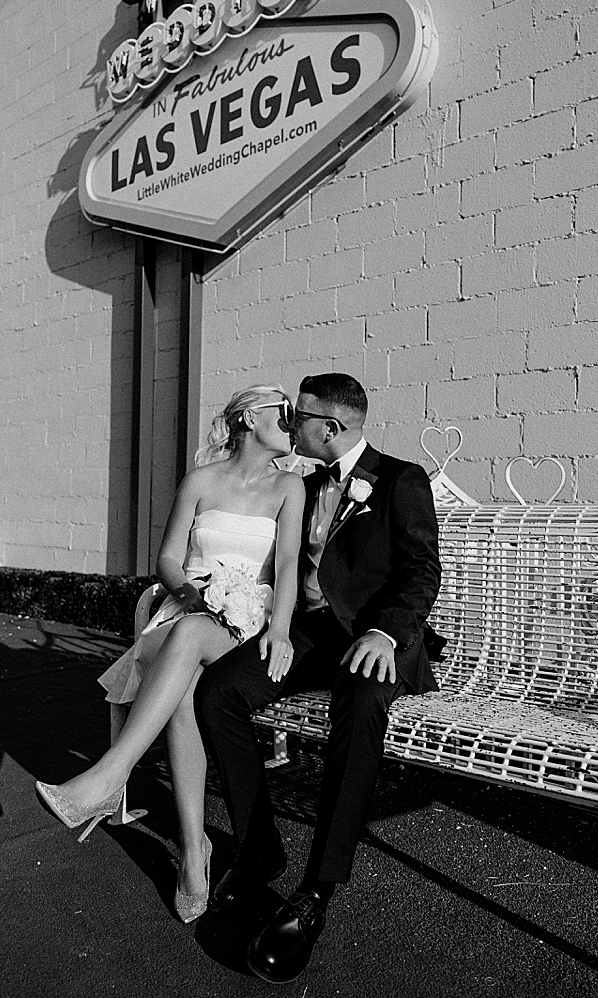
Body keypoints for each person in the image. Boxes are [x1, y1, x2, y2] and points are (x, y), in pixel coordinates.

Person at [195, 372, 442, 985]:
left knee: (358, 710)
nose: (289, 419)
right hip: (306, 636)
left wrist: (385, 633)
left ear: (329, 428)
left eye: (297, 414)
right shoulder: (303, 482)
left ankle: (315, 895)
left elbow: (420, 572)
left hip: (372, 637)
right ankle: (258, 847)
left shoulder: (400, 480)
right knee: (219, 693)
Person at [35, 385, 305, 923]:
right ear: (251, 417)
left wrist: (280, 628)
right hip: (188, 609)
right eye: (284, 414)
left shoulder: (289, 486)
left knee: (185, 643)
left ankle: (109, 778)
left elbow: (291, 562)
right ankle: (194, 852)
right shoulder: (200, 481)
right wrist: (190, 591)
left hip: (247, 622)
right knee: (182, 692)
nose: (293, 423)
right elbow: (167, 558)